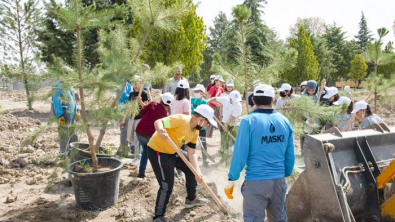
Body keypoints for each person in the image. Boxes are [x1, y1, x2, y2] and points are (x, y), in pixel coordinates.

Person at [224, 84, 295, 222]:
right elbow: (290, 153)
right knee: (279, 218)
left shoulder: (248, 121)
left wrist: (232, 178)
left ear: (254, 101)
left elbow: (240, 153)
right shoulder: (284, 121)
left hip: (256, 182)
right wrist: (283, 173)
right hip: (279, 181)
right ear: (272, 100)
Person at [147, 104, 218, 221]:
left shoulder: (195, 132)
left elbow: (192, 154)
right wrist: (161, 131)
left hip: (174, 151)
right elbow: (159, 122)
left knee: (191, 169)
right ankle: (158, 216)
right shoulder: (181, 120)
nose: (207, 126)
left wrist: (197, 173)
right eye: (208, 123)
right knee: (167, 185)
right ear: (201, 120)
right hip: (158, 151)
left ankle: (191, 199)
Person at [135, 93, 173, 178]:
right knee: (149, 152)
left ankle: (141, 172)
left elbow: (141, 112)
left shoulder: (153, 104)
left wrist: (143, 103)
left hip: (139, 131)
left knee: (145, 150)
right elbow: (167, 127)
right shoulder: (166, 115)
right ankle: (152, 172)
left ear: (161, 100)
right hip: (149, 135)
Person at [208, 90, 242, 165]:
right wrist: (207, 101)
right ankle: (224, 159)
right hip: (224, 123)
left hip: (235, 125)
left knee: (235, 142)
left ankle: (238, 160)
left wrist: (226, 125)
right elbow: (214, 98)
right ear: (230, 98)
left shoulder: (238, 106)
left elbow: (233, 117)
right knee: (224, 142)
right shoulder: (225, 99)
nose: (236, 101)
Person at [121, 75, 149, 165]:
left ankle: (137, 157)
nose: (135, 85)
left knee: (137, 139)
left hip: (140, 118)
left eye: (136, 83)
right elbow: (129, 108)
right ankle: (141, 147)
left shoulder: (144, 94)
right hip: (131, 117)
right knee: (129, 138)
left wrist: (140, 101)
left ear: (141, 83)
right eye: (133, 83)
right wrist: (124, 119)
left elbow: (147, 107)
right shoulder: (132, 94)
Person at [51, 81, 79, 156]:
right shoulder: (58, 86)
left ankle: (73, 153)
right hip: (64, 114)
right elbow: (56, 101)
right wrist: (60, 115)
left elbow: (73, 100)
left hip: (72, 114)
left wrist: (77, 110)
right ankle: (63, 154)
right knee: (64, 134)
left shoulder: (70, 85)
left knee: (74, 134)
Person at [191, 84, 209, 167]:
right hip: (192, 125)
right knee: (191, 143)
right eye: (195, 91)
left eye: (198, 91)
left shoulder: (204, 102)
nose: (196, 92)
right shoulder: (192, 100)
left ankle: (205, 160)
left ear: (202, 93)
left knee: (203, 143)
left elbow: (205, 115)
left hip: (201, 126)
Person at [117, 79, 134, 153]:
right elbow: (123, 95)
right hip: (124, 108)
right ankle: (123, 148)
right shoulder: (124, 83)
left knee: (128, 129)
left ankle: (127, 147)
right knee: (124, 129)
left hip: (128, 108)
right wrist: (133, 97)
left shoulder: (128, 84)